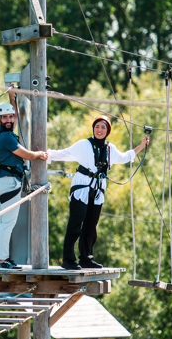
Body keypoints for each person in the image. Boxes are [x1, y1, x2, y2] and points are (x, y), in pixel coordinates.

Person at [48, 116, 149, 270]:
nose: (99, 130)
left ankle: (86, 258)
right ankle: (68, 259)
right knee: (75, 224)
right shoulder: (84, 144)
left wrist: (141, 146)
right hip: (82, 187)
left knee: (91, 225)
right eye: (97, 127)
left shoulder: (110, 149)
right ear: (93, 128)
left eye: (103, 127)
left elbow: (125, 157)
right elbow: (64, 153)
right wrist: (45, 154)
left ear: (107, 131)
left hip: (98, 190)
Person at [0, 90, 47, 269]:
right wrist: (40, 155)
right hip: (9, 182)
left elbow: (15, 116)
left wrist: (11, 98)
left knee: (3, 222)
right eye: (5, 117)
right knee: (7, 222)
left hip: (4, 181)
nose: (9, 120)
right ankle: (2, 260)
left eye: (11, 117)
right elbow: (28, 156)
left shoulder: (2, 133)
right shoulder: (6, 137)